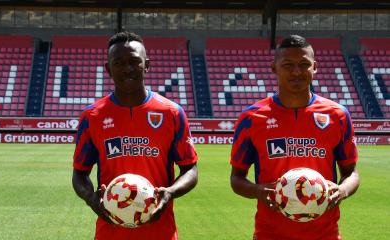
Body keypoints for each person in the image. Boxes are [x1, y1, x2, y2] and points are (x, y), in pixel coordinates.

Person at [229, 35, 360, 240]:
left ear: (315, 67)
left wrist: (342, 190)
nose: (297, 72)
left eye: (304, 64)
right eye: (288, 65)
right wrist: (257, 190)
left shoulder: (338, 115)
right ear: (274, 68)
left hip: (325, 234)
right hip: (269, 234)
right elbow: (236, 178)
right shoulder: (251, 117)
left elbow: (352, 173)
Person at [72, 31, 198, 240]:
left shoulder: (172, 113)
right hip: (110, 232)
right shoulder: (92, 116)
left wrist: (170, 193)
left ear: (147, 65)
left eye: (134, 61)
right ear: (108, 69)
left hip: (160, 232)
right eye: (119, 62)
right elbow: (79, 173)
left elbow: (190, 169)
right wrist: (91, 198)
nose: (127, 69)